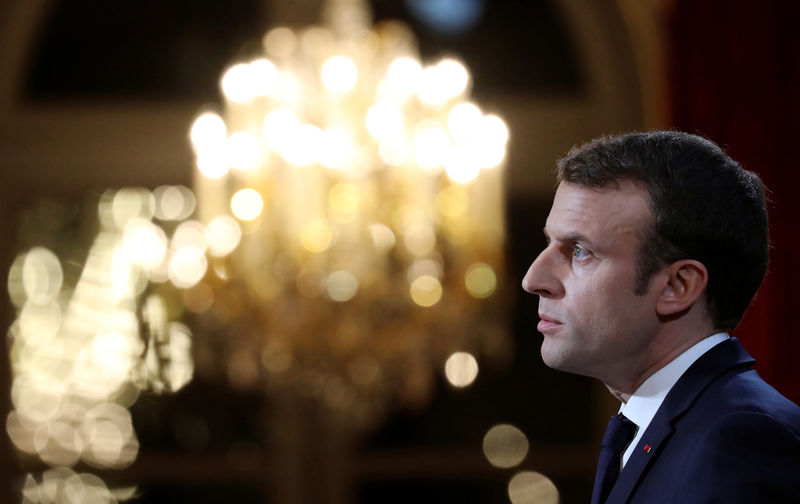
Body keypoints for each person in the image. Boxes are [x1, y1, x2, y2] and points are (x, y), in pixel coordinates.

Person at [521, 131, 800, 503]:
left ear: (677, 286)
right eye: (549, 243)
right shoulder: (667, 422)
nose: (533, 280)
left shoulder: (740, 439)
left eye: (580, 251)